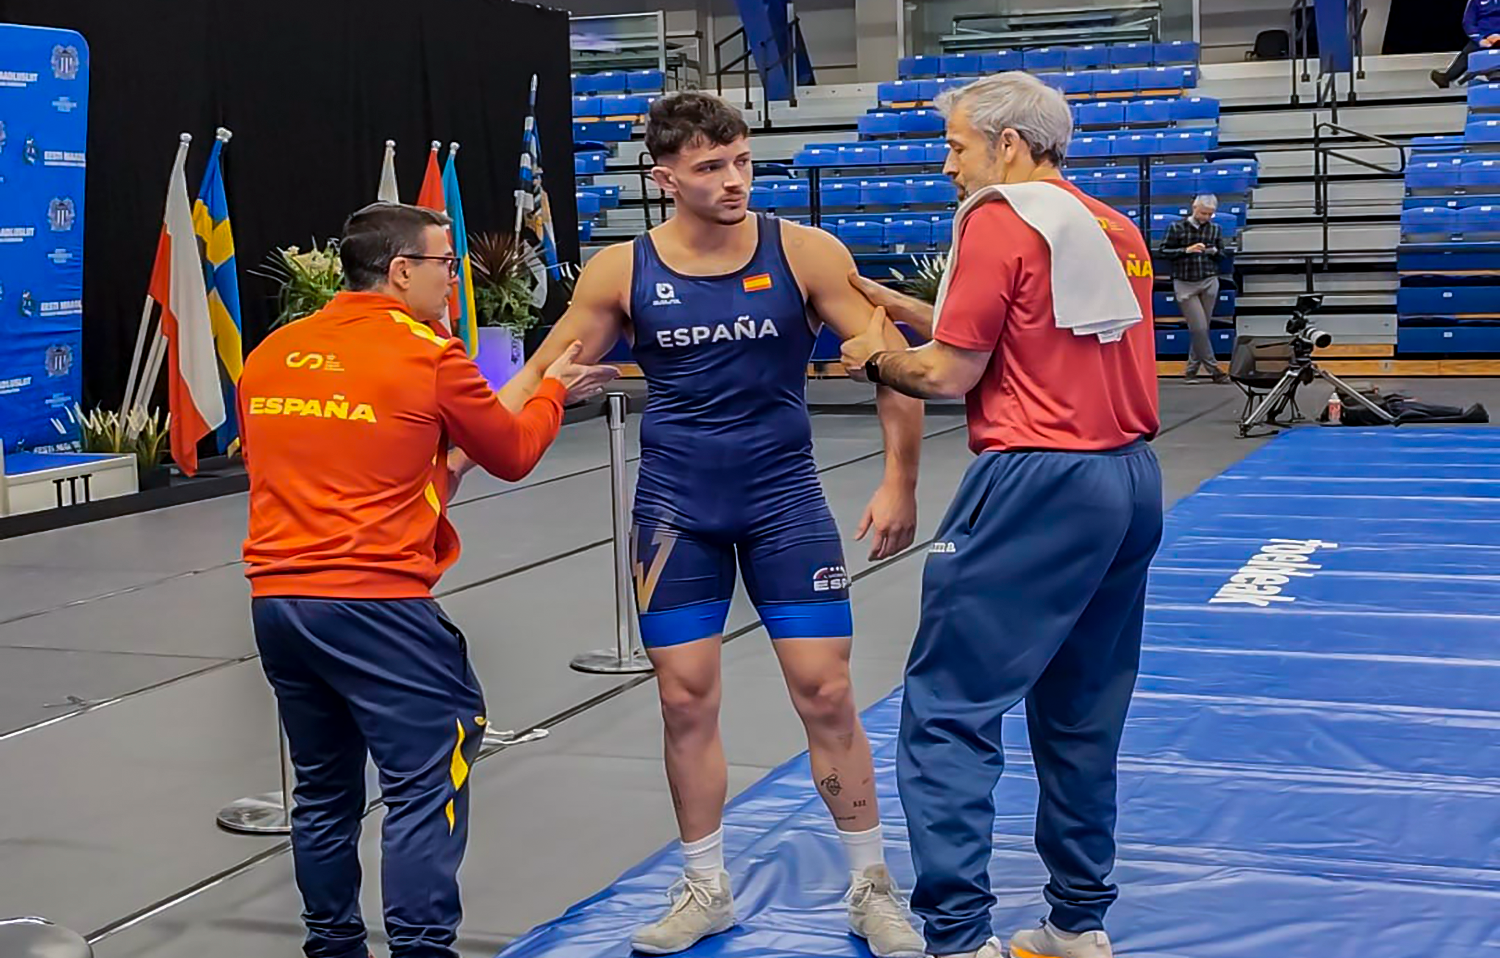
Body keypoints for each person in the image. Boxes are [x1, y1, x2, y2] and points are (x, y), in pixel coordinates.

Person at [462, 91, 926, 957]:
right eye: (710, 167)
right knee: (683, 700)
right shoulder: (619, 270)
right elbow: (539, 373)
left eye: (742, 160)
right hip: (677, 509)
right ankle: (706, 883)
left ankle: (870, 882)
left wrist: (900, 482)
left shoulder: (806, 251)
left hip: (786, 500)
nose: (733, 179)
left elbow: (891, 362)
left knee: (825, 691)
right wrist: (456, 460)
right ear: (664, 176)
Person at [238, 202, 618, 958]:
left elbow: (326, 464)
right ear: (403, 269)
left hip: (280, 602)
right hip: (377, 601)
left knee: (322, 789)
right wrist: (550, 392)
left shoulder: (273, 352)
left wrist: (437, 470)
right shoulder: (428, 355)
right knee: (424, 782)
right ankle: (420, 948)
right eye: (447, 266)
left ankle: (333, 945)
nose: (455, 280)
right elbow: (510, 453)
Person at [842, 72, 1163, 958]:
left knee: (947, 708)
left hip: (1038, 480)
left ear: (1008, 146)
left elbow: (948, 374)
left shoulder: (997, 216)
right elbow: (1037, 332)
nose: (947, 165)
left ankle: (956, 936)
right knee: (1082, 708)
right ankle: (1076, 922)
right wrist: (908, 308)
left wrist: (875, 357)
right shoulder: (1115, 228)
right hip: (1128, 481)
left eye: (955, 145)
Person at [1159, 195, 1229, 384]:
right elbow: (1163, 251)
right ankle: (1214, 369)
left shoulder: (1215, 229)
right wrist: (1186, 250)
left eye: (1210, 214)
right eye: (1203, 213)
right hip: (1185, 281)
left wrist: (1214, 252)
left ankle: (1191, 371)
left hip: (1208, 280)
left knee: (1202, 329)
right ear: (1194, 208)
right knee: (1198, 328)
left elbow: (1222, 254)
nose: (1206, 217)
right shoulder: (1176, 227)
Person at [1431, 0, 1500, 88]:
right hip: (1483, 38)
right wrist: (1480, 40)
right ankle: (1447, 78)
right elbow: (1468, 23)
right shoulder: (1474, 2)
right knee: (1468, 52)